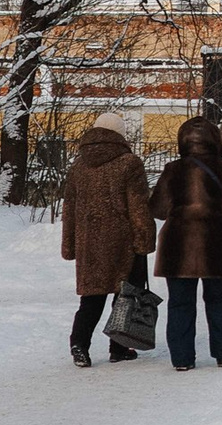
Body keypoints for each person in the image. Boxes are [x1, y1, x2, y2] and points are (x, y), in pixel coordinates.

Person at [149, 114, 222, 369]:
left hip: (177, 246)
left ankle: (182, 358)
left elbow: (157, 209)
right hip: (216, 244)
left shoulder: (173, 169)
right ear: (216, 141)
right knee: (219, 299)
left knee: (180, 302)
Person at [59, 111, 155, 368]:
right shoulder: (129, 163)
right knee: (125, 295)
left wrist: (69, 244)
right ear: (120, 135)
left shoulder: (78, 166)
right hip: (123, 241)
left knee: (91, 297)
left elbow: (68, 208)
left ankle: (79, 344)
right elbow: (138, 206)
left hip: (88, 242)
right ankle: (119, 347)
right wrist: (145, 240)